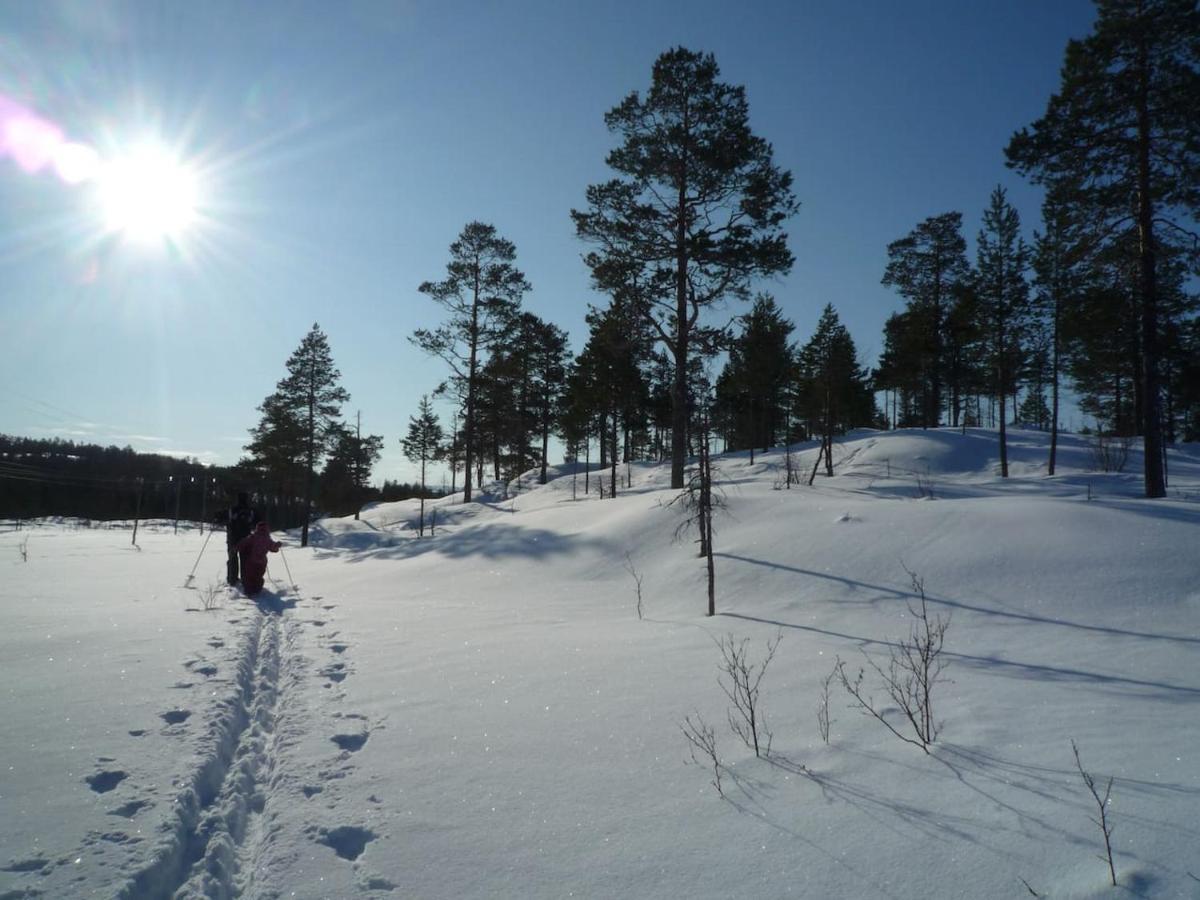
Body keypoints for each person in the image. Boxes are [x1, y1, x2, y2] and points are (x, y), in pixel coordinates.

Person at [217, 491, 260, 586]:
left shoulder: (232, 510)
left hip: (233, 538)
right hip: (246, 539)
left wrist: (219, 517)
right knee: (245, 559)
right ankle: (246, 580)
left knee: (232, 558)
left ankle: (232, 579)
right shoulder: (250, 511)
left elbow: (220, 517)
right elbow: (258, 522)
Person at [236, 521, 281, 597]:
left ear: (257, 529)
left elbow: (243, 543)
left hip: (251, 561)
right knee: (258, 576)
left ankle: (249, 590)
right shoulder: (268, 539)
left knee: (250, 576)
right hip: (262, 562)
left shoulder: (253, 537)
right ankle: (257, 589)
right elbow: (273, 549)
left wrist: (237, 547)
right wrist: (277, 546)